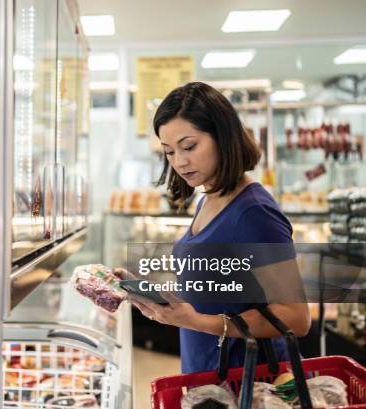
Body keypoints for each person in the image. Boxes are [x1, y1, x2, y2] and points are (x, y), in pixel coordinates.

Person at [125, 82, 311, 374]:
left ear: (222, 137)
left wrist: (196, 321)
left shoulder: (254, 212)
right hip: (210, 372)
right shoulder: (209, 198)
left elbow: (296, 317)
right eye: (169, 152)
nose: (179, 162)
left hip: (249, 381)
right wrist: (151, 293)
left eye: (189, 146)